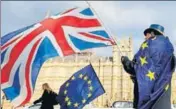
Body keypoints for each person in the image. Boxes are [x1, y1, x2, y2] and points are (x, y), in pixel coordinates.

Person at [121, 24, 176, 109]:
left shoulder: (148, 46)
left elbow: (135, 68)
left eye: (146, 35)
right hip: (163, 101)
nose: (145, 38)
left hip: (148, 103)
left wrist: (126, 61)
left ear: (152, 33)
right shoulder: (169, 50)